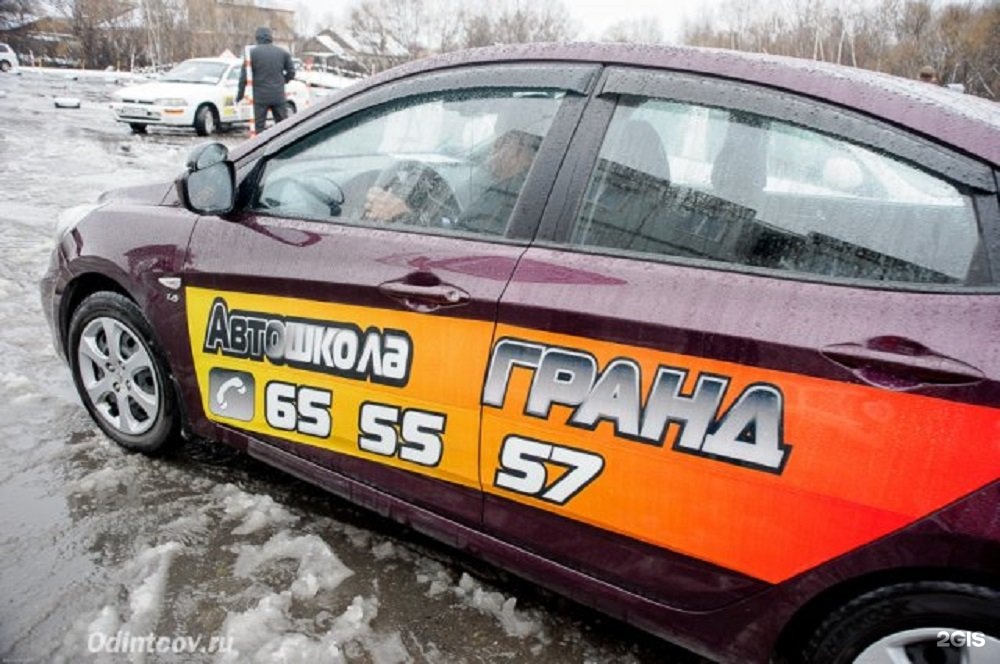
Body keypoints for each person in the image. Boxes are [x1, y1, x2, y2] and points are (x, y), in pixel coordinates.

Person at [363, 129, 541, 234]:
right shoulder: (519, 187)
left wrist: (401, 215)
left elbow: (466, 245)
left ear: (529, 155)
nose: (493, 150)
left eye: (506, 143)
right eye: (497, 140)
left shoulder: (514, 196)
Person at [236, 27, 295, 134]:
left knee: (258, 129)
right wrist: (282, 81)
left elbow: (243, 78)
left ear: (257, 38)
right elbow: (292, 72)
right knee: (283, 128)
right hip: (278, 96)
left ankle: (260, 148)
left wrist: (239, 96)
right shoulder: (283, 53)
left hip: (259, 97)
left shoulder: (251, 54)